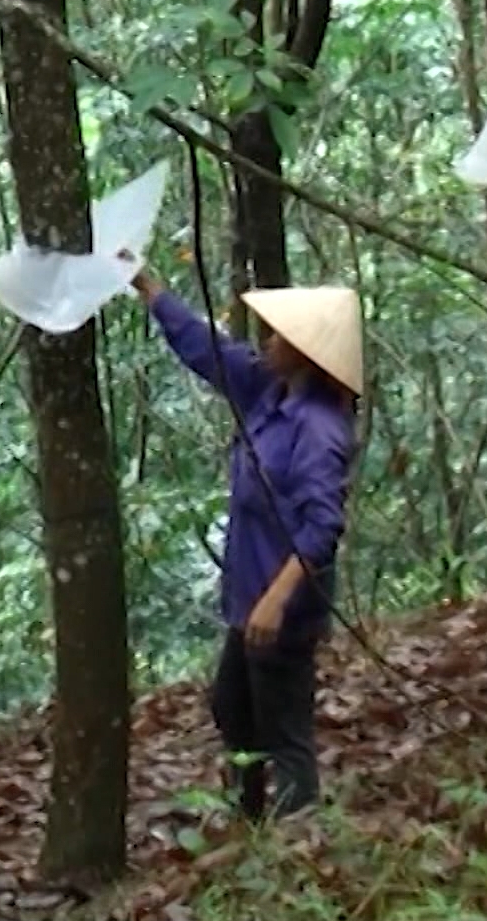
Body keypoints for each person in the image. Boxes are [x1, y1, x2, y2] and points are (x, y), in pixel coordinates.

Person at [126, 261, 361, 820]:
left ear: (305, 352)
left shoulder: (319, 428)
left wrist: (278, 600)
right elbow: (208, 351)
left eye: (279, 335)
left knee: (285, 731)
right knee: (233, 708)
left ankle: (297, 841)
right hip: (249, 599)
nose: (267, 341)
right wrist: (152, 289)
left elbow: (322, 526)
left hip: (282, 608)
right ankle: (249, 819)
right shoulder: (266, 390)